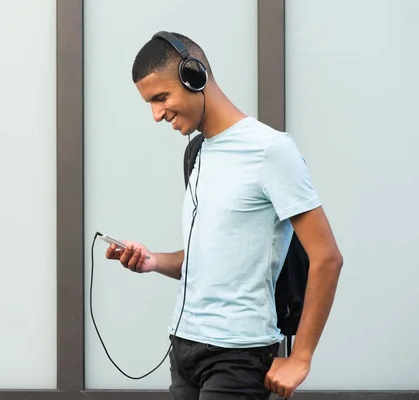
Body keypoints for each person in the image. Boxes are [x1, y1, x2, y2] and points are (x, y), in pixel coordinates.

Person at [104, 31, 343, 400]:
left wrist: (301, 358)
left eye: (161, 98)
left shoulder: (271, 150)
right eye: (149, 103)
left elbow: (327, 257)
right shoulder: (198, 153)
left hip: (238, 358)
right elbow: (209, 259)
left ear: (194, 77)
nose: (156, 115)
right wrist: (152, 261)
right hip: (183, 349)